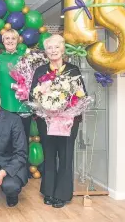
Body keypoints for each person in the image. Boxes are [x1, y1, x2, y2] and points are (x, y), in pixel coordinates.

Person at [30, 34, 86, 208]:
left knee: (65, 156)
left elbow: (81, 94)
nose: (53, 50)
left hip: (68, 121)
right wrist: (45, 106)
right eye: (49, 48)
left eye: (56, 47)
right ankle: (48, 192)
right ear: (45, 52)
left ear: (63, 48)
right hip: (46, 121)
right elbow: (33, 94)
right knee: (49, 156)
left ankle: (62, 194)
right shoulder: (40, 71)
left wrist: (67, 109)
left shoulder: (73, 70)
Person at [0, 29, 32, 173]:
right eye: (7, 38)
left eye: (13, 38)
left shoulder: (26, 58)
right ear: (2, 42)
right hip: (4, 106)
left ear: (18, 41)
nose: (10, 41)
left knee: (23, 142)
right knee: (5, 142)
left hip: (23, 106)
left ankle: (21, 172)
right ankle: (5, 172)